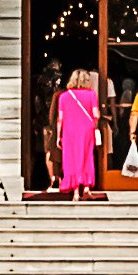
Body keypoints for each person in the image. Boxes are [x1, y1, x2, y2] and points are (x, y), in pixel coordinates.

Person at [54, 67, 105, 201]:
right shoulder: (91, 94)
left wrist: (58, 136)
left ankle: (76, 191)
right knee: (87, 156)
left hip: (69, 131)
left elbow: (60, 118)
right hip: (87, 130)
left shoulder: (64, 96)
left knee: (71, 159)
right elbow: (96, 115)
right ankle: (87, 187)